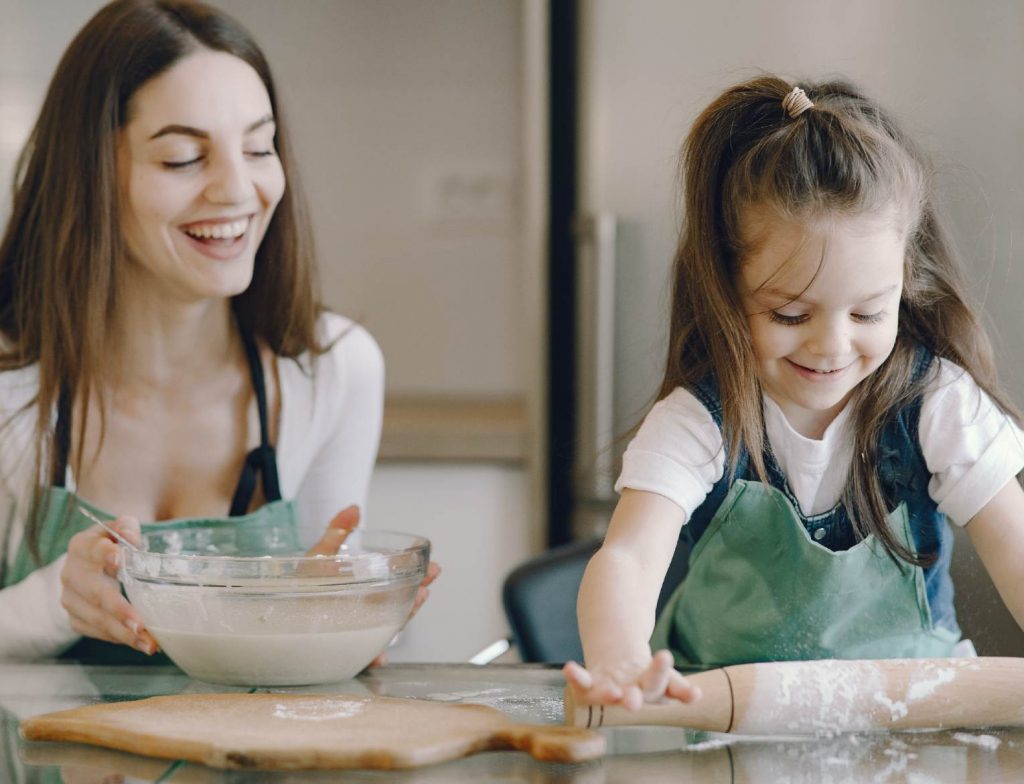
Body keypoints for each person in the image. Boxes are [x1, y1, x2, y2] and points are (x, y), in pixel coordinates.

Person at [563, 75, 1024, 710]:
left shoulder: (937, 404)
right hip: (722, 723)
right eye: (790, 315)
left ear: (905, 284)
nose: (832, 346)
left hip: (914, 719)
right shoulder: (700, 422)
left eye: (867, 315)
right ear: (728, 289)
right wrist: (619, 661)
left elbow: (1016, 545)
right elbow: (628, 560)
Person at [0, 0, 436, 661]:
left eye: (259, 148)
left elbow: (329, 649)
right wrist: (53, 601)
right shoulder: (13, 389)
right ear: (88, 174)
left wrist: (341, 620)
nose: (238, 189)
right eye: (182, 158)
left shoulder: (332, 371)